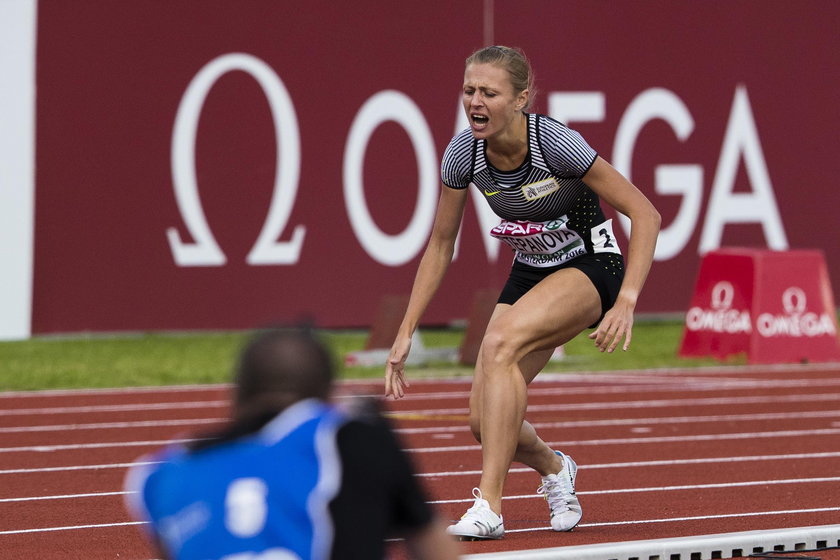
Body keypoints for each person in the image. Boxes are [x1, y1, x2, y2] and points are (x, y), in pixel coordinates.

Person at [384, 45, 661, 540]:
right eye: (469, 90)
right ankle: (556, 468)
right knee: (482, 420)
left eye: (489, 92)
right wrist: (406, 330)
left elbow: (645, 214)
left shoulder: (554, 144)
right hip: (532, 270)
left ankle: (489, 506)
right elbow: (441, 243)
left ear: (521, 99)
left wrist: (628, 300)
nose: (475, 102)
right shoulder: (462, 154)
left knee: (498, 344)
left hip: (591, 264)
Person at [125, 327, 460, 560]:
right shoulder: (347, 435)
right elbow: (428, 541)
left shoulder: (156, 475)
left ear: (238, 392)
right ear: (326, 395)